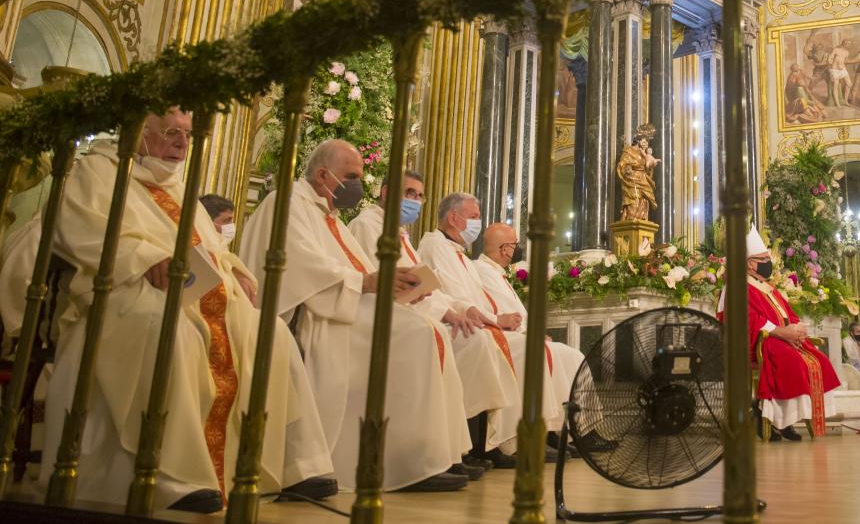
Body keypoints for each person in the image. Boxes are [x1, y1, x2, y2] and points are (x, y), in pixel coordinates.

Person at [41, 110, 335, 512]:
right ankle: (170, 474)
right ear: (138, 133)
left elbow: (212, 246)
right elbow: (78, 230)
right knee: (169, 330)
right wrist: (145, 258)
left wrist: (237, 271)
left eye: (186, 134)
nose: (182, 142)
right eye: (170, 132)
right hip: (124, 290)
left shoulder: (179, 187)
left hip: (191, 292)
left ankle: (293, 465)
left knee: (270, 333)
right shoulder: (99, 172)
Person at [240, 139, 470, 494]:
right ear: (322, 175)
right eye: (352, 176)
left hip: (342, 306)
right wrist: (366, 282)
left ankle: (418, 456)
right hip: (314, 313)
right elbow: (299, 268)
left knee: (422, 328)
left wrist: (396, 288)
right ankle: (406, 461)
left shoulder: (329, 217)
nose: (358, 186)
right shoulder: (285, 204)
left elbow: (361, 272)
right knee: (418, 334)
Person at [347, 179, 521, 468]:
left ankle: (462, 448)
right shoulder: (367, 226)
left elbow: (431, 288)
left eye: (420, 195)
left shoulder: (401, 236)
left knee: (472, 337)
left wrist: (460, 309)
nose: (415, 201)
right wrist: (451, 311)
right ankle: (448, 450)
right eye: (409, 193)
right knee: (466, 339)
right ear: (387, 192)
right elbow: (377, 281)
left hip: (419, 312)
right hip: (385, 318)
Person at [470, 219, 593, 447]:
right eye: (515, 244)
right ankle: (538, 434)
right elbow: (502, 312)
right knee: (540, 353)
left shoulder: (497, 272)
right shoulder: (482, 271)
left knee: (573, 356)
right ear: (505, 249)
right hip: (503, 334)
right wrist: (531, 332)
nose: (517, 249)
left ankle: (579, 430)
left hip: (518, 333)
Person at [719, 227, 840, 441]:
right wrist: (779, 332)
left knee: (820, 360)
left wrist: (797, 328)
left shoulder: (767, 286)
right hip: (759, 342)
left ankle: (788, 420)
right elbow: (744, 320)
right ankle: (776, 419)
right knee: (792, 362)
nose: (769, 262)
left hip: (783, 339)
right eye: (764, 258)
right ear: (749, 263)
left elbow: (787, 313)